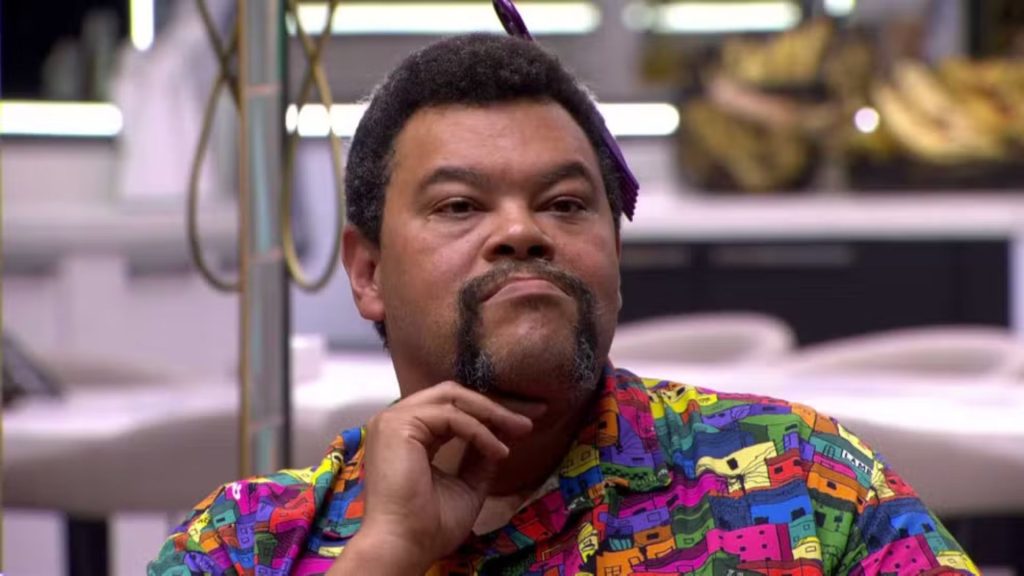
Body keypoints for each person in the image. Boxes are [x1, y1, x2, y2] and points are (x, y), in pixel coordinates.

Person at [148, 34, 978, 576]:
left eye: (566, 204)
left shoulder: (795, 483)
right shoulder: (246, 545)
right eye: (460, 206)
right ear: (367, 273)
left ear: (614, 254)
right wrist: (386, 554)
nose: (522, 231)